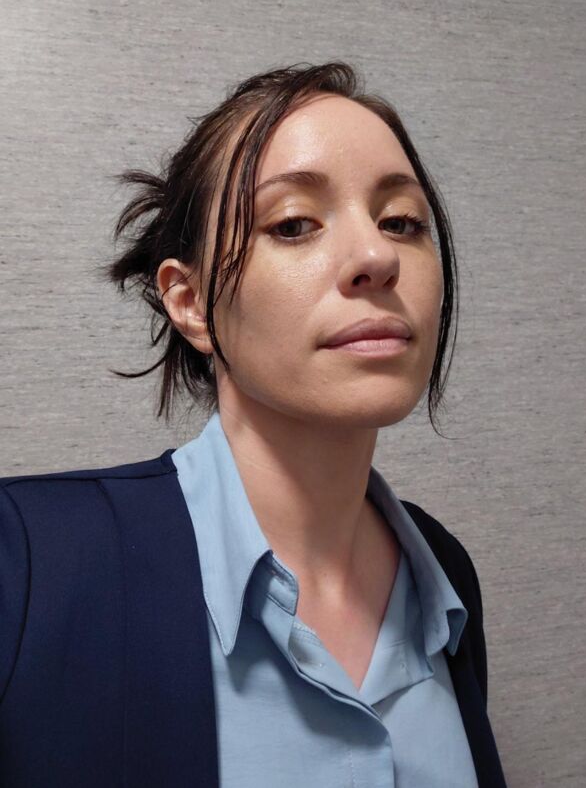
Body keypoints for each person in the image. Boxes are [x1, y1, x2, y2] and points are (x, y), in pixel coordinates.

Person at [0, 61, 507, 787]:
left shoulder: (446, 579)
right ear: (190, 303)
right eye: (293, 224)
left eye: (401, 222)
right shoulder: (27, 563)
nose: (377, 256)